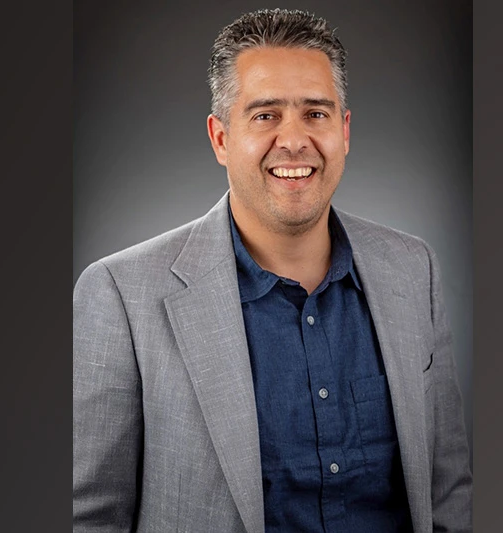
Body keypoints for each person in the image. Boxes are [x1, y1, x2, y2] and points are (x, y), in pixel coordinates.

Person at [73, 8, 472, 532]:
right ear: (220, 137)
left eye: (315, 113)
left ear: (344, 131)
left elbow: (448, 494)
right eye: (265, 115)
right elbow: (89, 518)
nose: (294, 139)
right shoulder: (120, 296)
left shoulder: (412, 270)